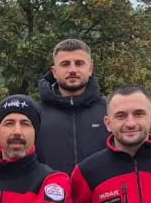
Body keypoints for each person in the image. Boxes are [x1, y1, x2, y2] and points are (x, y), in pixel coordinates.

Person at [35, 38, 108, 171]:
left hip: (101, 191)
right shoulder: (36, 114)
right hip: (51, 190)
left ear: (90, 68)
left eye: (79, 63)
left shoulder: (110, 111)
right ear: (54, 72)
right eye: (65, 64)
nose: (72, 70)